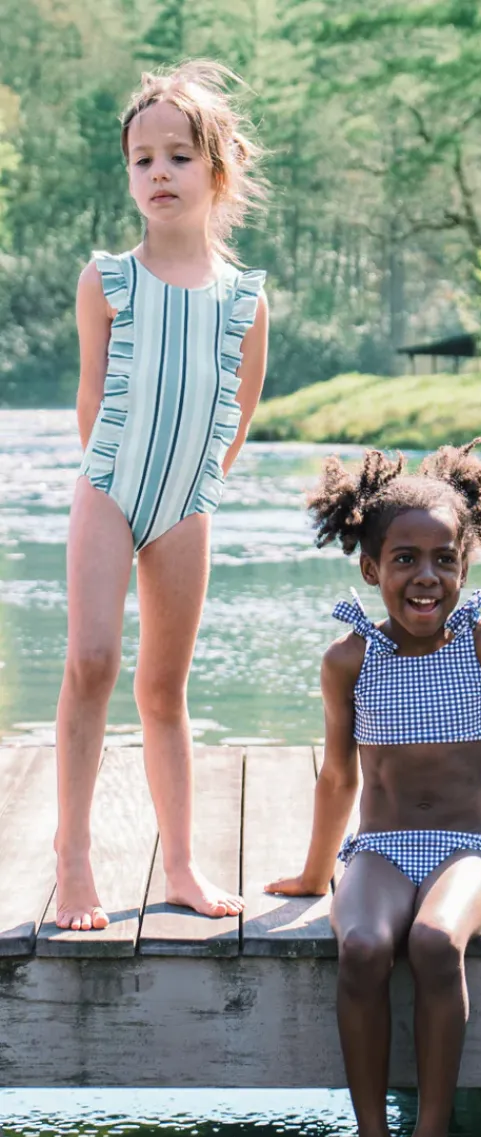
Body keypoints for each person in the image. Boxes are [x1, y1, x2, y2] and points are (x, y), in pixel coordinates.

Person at [268, 440, 481, 1137]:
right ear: (371, 569)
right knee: (362, 946)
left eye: (444, 559)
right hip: (379, 851)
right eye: (405, 559)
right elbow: (338, 779)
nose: (426, 576)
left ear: (465, 566)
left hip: (464, 853)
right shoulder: (350, 660)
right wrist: (315, 876)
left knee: (436, 943)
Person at [55, 61, 269, 929]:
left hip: (187, 502)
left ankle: (179, 863)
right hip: (110, 488)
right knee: (92, 661)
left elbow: (238, 415)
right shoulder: (107, 280)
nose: (158, 174)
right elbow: (90, 400)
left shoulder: (244, 299)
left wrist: (190, 493)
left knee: (164, 689)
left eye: (178, 156)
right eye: (142, 160)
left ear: (217, 169)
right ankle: (73, 860)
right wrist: (115, 485)